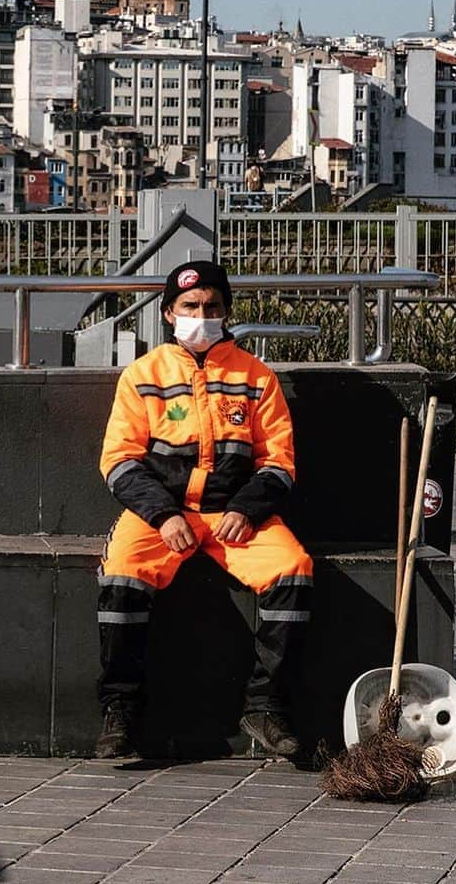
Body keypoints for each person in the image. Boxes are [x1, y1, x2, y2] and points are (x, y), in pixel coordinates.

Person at [96, 259, 312, 759]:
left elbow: (279, 461)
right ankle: (120, 710)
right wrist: (164, 515)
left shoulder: (257, 377)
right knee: (122, 575)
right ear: (169, 313)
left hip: (233, 517)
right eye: (190, 305)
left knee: (294, 570)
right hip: (163, 516)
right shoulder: (142, 376)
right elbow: (118, 461)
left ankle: (264, 706)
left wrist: (247, 508)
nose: (202, 313)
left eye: (212, 306)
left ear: (227, 311)